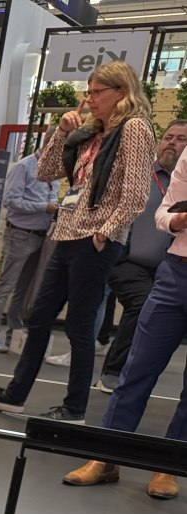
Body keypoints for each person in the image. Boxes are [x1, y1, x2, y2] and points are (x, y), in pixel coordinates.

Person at [0, 60, 156, 423]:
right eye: (88, 92)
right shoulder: (91, 132)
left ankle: (74, 409)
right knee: (38, 318)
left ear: (121, 92)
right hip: (67, 233)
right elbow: (46, 171)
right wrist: (61, 131)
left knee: (79, 326)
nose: (90, 99)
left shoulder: (134, 129)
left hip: (94, 239)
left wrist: (104, 233)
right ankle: (15, 395)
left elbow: (135, 195)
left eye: (97, 92)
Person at [61, 121, 187, 500]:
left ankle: (168, 465)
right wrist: (178, 220)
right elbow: (162, 214)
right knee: (136, 369)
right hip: (177, 273)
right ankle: (105, 457)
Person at [94, 119, 187, 393]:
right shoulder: (141, 175)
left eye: (181, 139)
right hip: (127, 260)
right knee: (142, 301)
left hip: (168, 268)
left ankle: (133, 375)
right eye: (168, 136)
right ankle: (112, 371)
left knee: (148, 310)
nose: (172, 142)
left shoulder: (181, 184)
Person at [0, 152, 58, 352]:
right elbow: (11, 200)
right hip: (20, 234)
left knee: (24, 290)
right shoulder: (24, 167)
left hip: (41, 235)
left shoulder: (54, 171)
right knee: (6, 286)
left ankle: (14, 333)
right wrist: (45, 207)